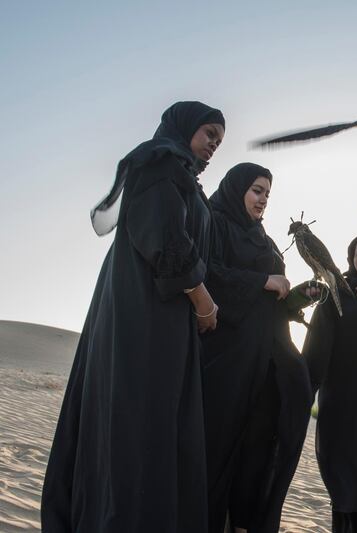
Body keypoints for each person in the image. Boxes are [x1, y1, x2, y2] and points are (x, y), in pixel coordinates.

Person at [41, 101, 225, 532]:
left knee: (156, 432)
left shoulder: (184, 175)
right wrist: (203, 301)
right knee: (137, 427)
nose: (214, 143)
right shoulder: (160, 162)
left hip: (163, 320)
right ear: (185, 128)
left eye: (220, 139)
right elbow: (164, 237)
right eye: (209, 132)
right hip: (141, 317)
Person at [200, 162, 312, 533]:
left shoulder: (262, 238)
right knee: (216, 453)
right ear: (237, 190)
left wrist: (298, 297)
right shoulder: (214, 223)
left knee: (259, 452)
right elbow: (206, 276)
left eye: (267, 193)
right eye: (256, 190)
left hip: (267, 363)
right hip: (227, 361)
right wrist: (262, 279)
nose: (263, 199)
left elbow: (272, 302)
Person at [303, 234, 357, 533]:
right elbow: (315, 356)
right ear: (351, 260)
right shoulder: (336, 298)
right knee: (345, 493)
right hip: (342, 410)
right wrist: (300, 398)